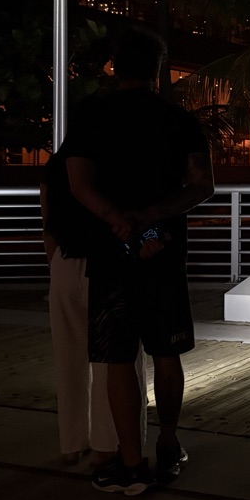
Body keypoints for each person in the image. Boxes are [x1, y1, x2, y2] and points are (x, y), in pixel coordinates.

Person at [63, 26, 215, 495]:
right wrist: (149, 218)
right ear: (158, 69)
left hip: (111, 251)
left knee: (117, 357)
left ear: (115, 67)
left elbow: (78, 183)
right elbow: (201, 185)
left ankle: (131, 464)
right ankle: (168, 443)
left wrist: (119, 220)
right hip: (163, 251)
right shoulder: (179, 119)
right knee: (166, 353)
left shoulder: (92, 115)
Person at [41, 146, 148, 467]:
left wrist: (55, 263)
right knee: (114, 361)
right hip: (107, 262)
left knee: (68, 356)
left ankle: (72, 442)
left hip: (64, 261)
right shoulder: (116, 158)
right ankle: (107, 445)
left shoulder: (57, 163)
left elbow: (48, 221)